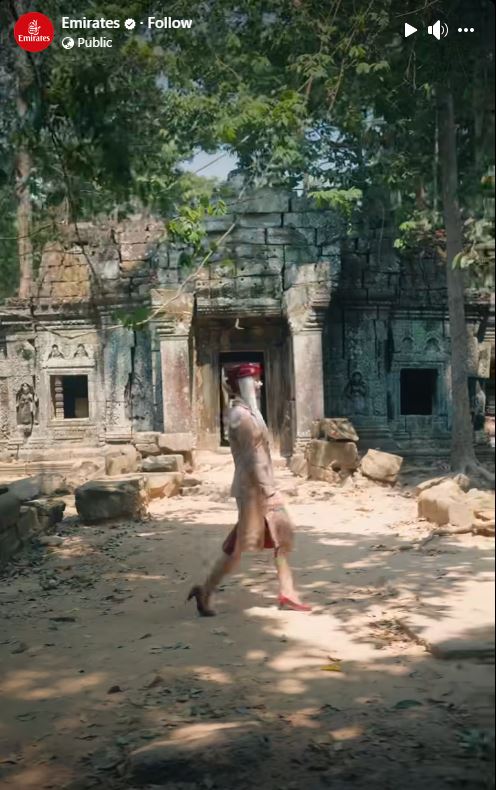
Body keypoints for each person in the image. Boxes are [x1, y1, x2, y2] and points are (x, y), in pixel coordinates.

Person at [188, 362, 311, 616]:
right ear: (242, 384)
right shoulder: (240, 416)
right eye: (255, 380)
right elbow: (252, 458)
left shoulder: (245, 413)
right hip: (254, 490)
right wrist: (268, 491)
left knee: (280, 537)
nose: (260, 384)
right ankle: (206, 590)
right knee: (240, 548)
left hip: (257, 487)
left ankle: (287, 591)